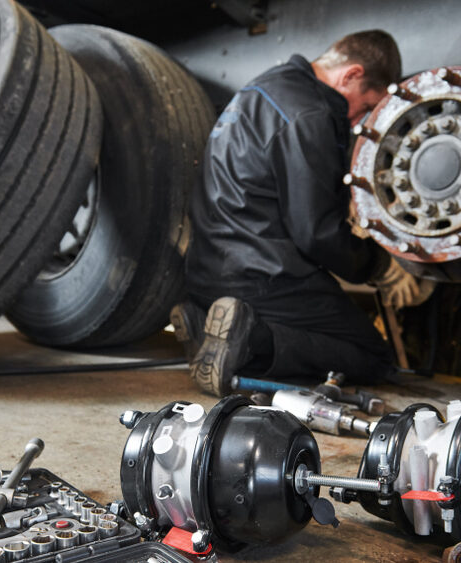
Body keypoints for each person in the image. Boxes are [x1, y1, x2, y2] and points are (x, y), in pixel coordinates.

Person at [171, 30, 421, 396]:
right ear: (350, 75)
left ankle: (204, 321)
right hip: (260, 275)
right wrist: (377, 265)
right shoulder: (312, 112)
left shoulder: (264, 87)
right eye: (366, 106)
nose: (359, 121)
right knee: (373, 356)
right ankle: (252, 340)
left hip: (209, 268)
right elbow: (316, 232)